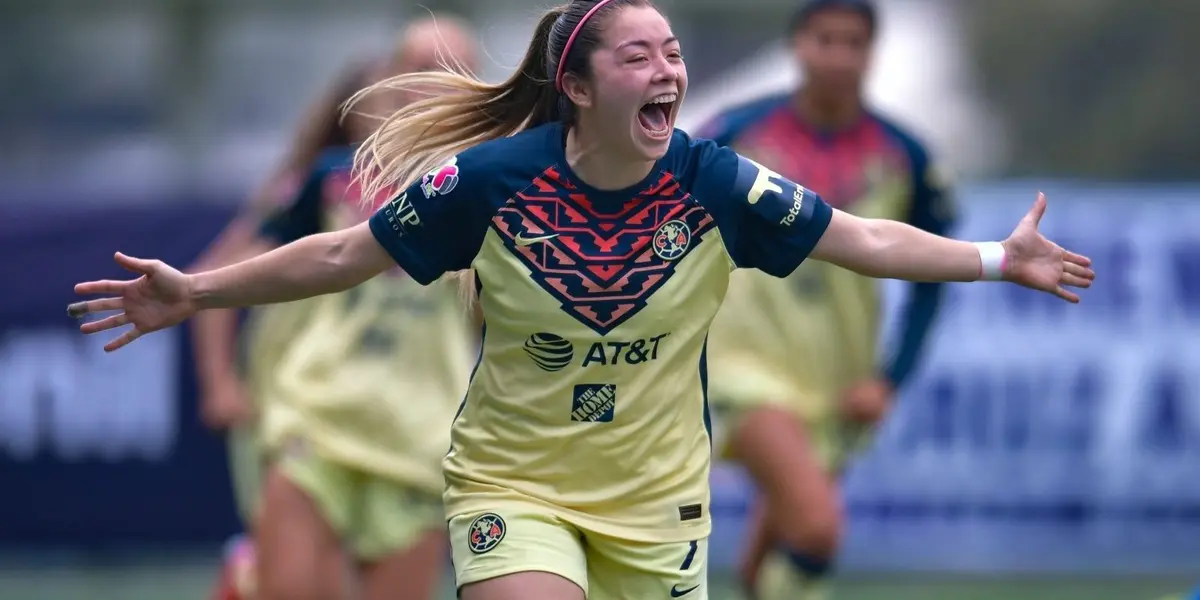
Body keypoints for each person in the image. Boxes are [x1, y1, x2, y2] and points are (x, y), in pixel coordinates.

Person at [68, 1, 1094, 599]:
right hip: (514, 488)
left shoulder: (716, 182)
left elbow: (863, 237)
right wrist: (195, 293)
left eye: (674, 54)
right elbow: (340, 253)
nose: (668, 72)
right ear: (579, 86)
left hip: (658, 506)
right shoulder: (488, 183)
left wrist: (997, 259)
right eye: (639, 56)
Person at [193, 15, 480, 600]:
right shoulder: (329, 183)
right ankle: (253, 571)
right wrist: (220, 381)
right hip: (315, 423)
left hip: (418, 443)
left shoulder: (493, 195)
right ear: (389, 81)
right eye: (422, 68)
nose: (435, 85)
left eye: (455, 72)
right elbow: (217, 275)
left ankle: (245, 575)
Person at [696, 1, 951, 597]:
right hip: (746, 365)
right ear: (797, 47)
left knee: (778, 564)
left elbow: (934, 274)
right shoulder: (734, 132)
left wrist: (889, 379)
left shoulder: (905, 155)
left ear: (872, 52)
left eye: (853, 42)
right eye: (824, 39)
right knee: (817, 529)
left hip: (838, 381)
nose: (838, 55)